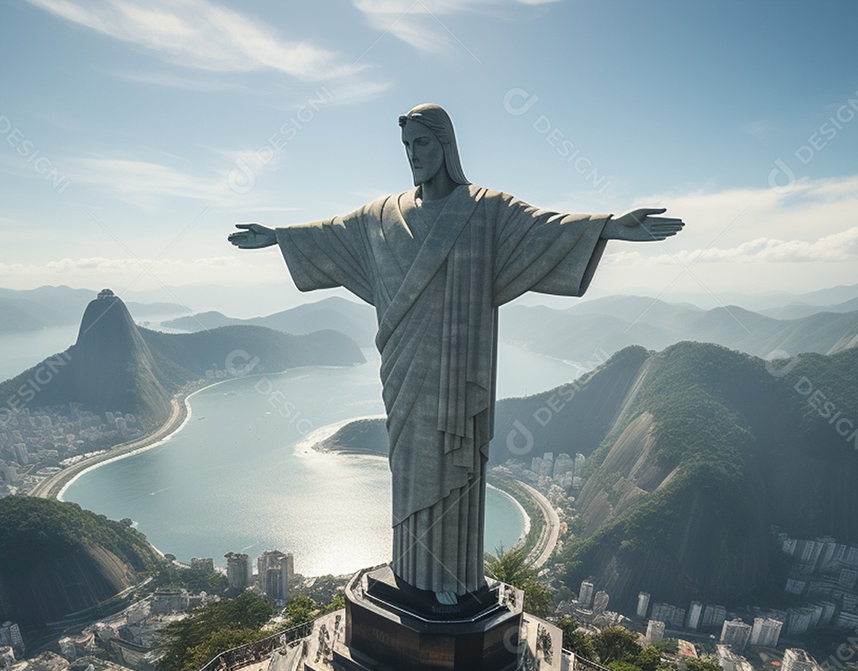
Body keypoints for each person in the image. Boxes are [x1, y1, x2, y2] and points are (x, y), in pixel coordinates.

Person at [229, 103, 682, 596]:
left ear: (446, 144)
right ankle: (412, 577)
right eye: (406, 145)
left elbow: (545, 228)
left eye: (422, 142)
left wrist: (609, 227)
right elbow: (332, 235)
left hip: (457, 372)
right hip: (403, 370)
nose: (413, 154)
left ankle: (452, 580)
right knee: (409, 466)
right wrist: (278, 237)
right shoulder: (380, 216)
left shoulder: (485, 209)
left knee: (453, 463)